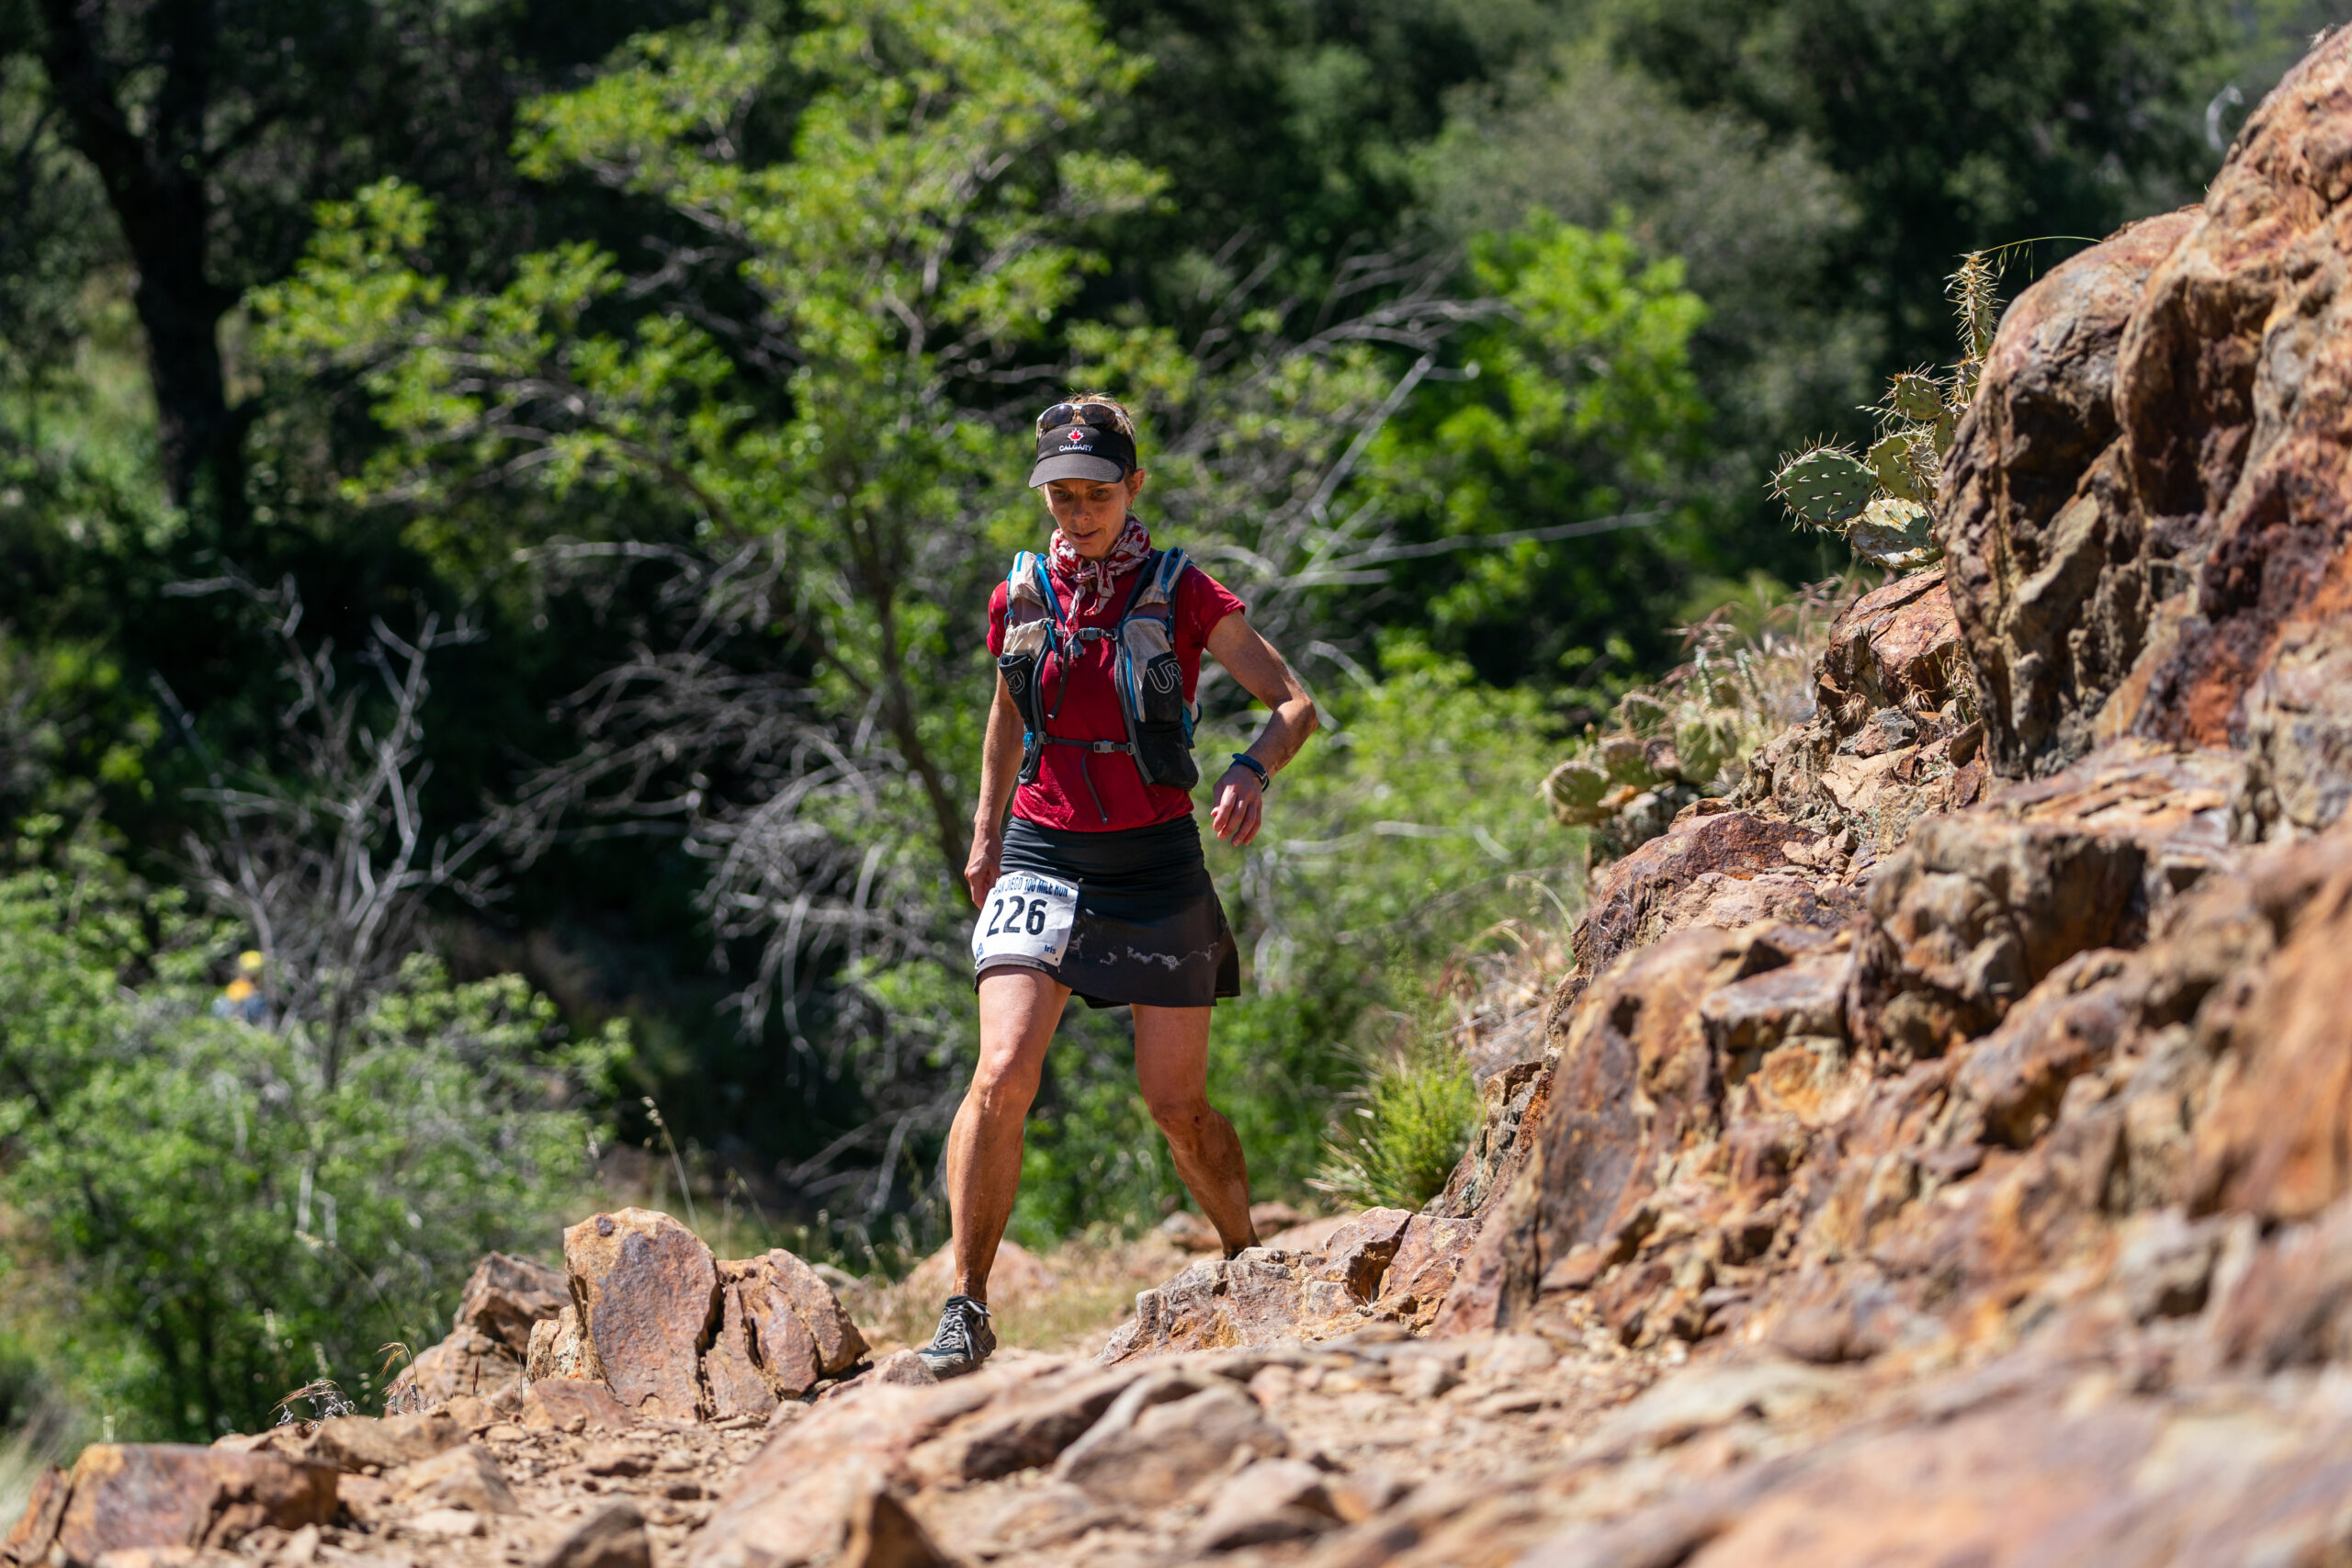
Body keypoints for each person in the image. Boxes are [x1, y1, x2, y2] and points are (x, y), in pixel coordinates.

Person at [917, 394, 1318, 1378]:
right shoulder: (1018, 593)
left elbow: (1295, 702)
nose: (1075, 511)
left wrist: (1249, 770)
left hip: (1153, 861)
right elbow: (1007, 716)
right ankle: (964, 1306)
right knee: (1000, 1072)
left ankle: (1240, 1258)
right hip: (1043, 849)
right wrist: (983, 834)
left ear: (1132, 487)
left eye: (1094, 493)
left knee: (1176, 1108)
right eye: (1059, 496)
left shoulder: (1183, 591)